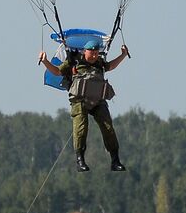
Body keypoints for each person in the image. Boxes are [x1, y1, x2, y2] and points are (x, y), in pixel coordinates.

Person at [38, 43, 130, 172]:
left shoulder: (100, 62)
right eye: (91, 52)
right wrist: (45, 61)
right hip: (80, 100)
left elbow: (111, 66)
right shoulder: (74, 61)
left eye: (96, 52)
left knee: (108, 127)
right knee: (81, 128)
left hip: (98, 100)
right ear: (84, 51)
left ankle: (115, 160)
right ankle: (80, 160)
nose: (94, 55)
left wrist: (123, 55)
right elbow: (57, 71)